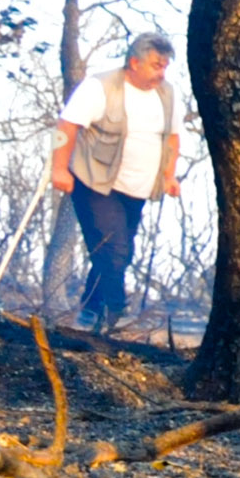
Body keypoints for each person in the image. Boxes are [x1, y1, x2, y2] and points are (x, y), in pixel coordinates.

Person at [48, 31, 184, 332]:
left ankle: (89, 313)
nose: (160, 73)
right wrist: (59, 169)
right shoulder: (100, 87)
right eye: (155, 65)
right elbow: (67, 125)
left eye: (164, 67)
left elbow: (172, 137)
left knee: (117, 252)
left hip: (137, 188)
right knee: (114, 250)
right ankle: (117, 313)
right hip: (95, 181)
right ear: (134, 62)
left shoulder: (168, 95)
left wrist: (168, 175)